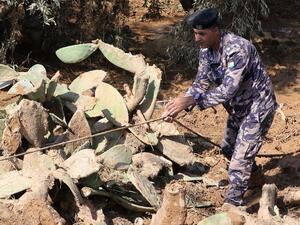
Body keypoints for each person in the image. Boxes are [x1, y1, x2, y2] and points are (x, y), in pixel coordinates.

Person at [162, 8, 278, 206]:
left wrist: (192, 102)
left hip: (258, 107)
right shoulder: (206, 50)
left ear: (216, 30)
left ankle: (231, 208)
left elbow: (227, 90)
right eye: (195, 33)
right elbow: (201, 83)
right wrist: (180, 103)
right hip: (238, 109)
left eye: (202, 34)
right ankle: (256, 179)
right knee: (228, 148)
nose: (197, 38)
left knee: (238, 163)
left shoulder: (237, 49)